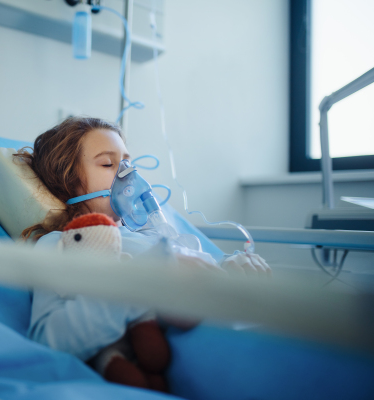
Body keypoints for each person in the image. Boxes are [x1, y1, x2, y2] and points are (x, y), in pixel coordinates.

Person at [16, 116, 270, 391]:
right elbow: (49, 338)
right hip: (209, 352)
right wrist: (144, 281)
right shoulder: (64, 243)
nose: (127, 174)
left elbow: (197, 269)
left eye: (128, 163)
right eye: (108, 163)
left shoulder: (147, 233)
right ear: (67, 181)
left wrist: (232, 265)